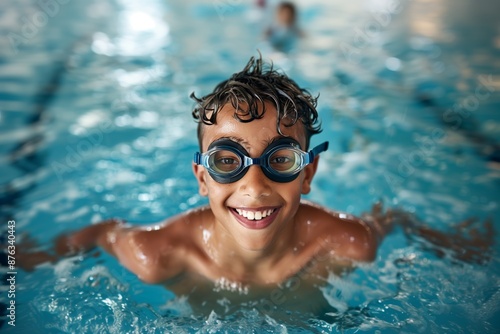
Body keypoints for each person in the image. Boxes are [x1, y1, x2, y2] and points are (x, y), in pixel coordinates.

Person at [16, 55, 494, 316]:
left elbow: (390, 220)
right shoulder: (157, 255)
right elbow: (103, 232)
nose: (255, 182)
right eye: (228, 160)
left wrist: (447, 242)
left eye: (280, 159)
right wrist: (28, 255)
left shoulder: (346, 242)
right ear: (202, 177)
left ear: (307, 174)